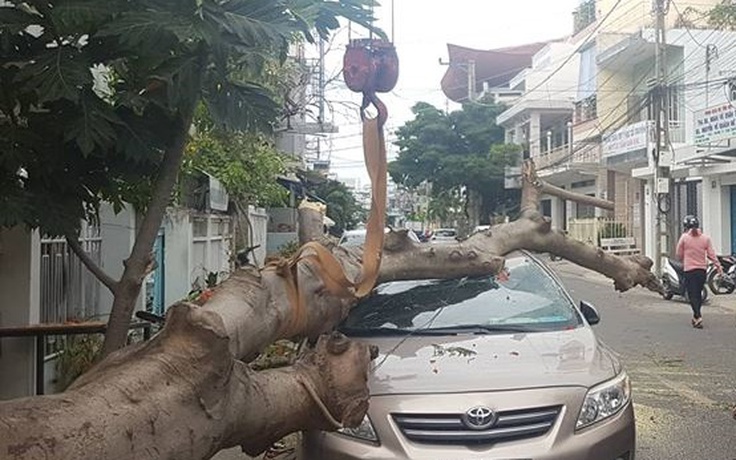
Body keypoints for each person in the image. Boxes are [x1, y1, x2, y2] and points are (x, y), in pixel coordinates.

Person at [676, 215, 722, 328]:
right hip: (702, 271)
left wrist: (684, 259)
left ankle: (697, 315)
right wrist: (718, 267)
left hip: (689, 270)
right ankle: (696, 317)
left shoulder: (684, 238)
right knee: (698, 293)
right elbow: (712, 255)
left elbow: (678, 254)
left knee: (692, 294)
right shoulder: (706, 239)